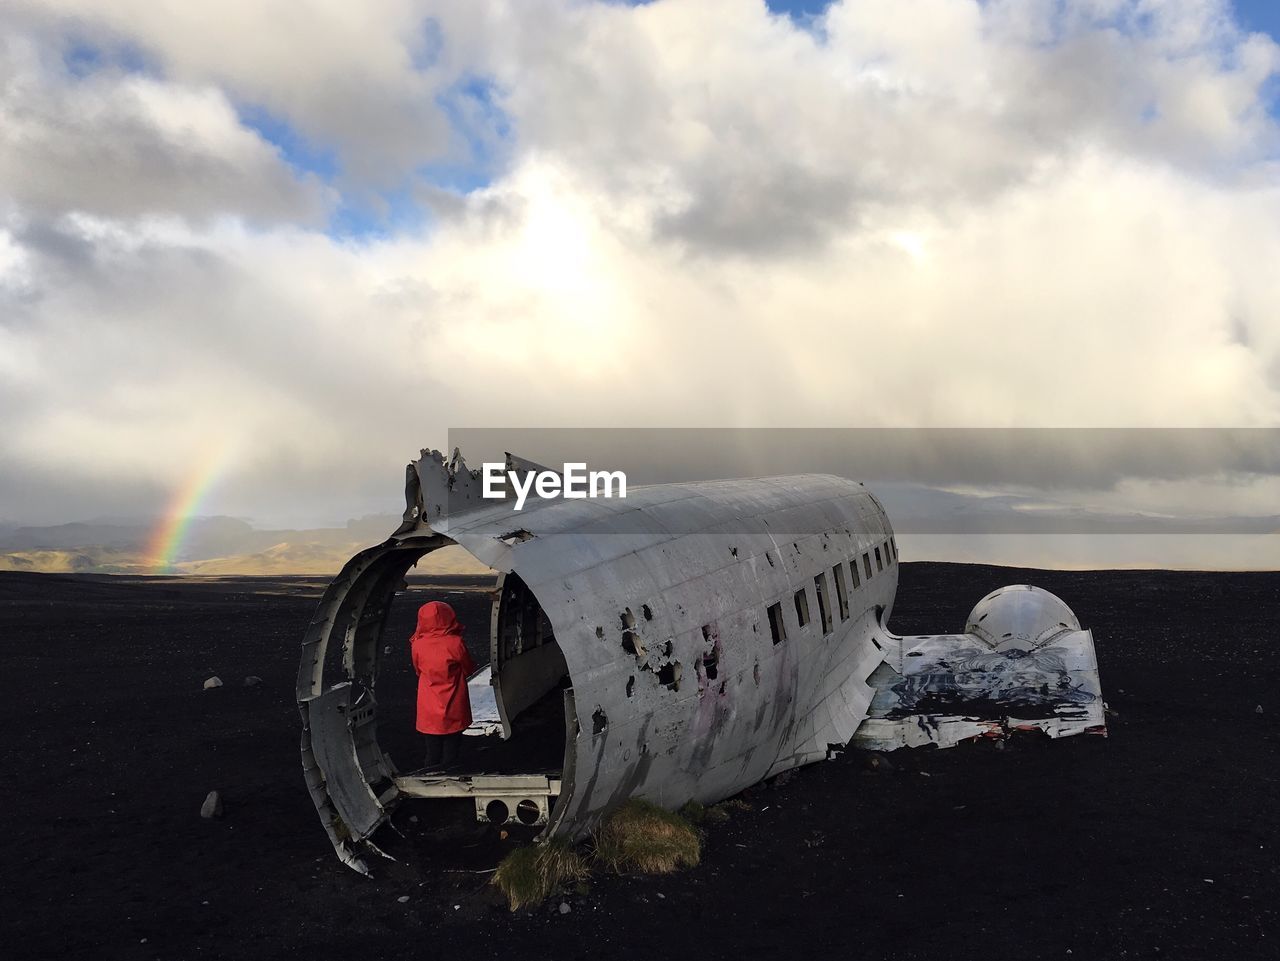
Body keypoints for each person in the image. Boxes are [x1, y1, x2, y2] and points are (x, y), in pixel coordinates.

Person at [409, 600, 475, 771]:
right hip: (454, 701)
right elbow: (468, 667)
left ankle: (428, 778)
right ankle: (450, 779)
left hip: (428, 703)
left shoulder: (417, 644)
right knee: (452, 747)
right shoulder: (455, 642)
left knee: (432, 750)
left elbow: (417, 669)